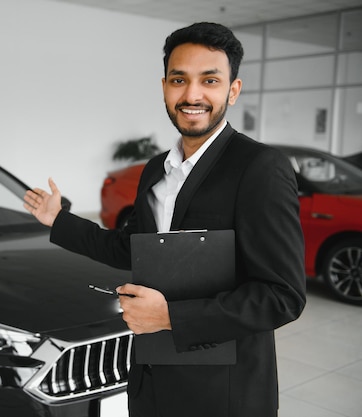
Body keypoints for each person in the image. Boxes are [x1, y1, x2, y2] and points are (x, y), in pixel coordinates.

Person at [23, 22, 306, 417]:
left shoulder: (259, 167)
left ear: (233, 90)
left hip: (220, 393)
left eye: (209, 80)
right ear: (164, 86)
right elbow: (131, 247)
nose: (192, 95)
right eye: (179, 79)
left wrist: (170, 316)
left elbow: (282, 296)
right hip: (151, 380)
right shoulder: (157, 169)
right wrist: (58, 220)